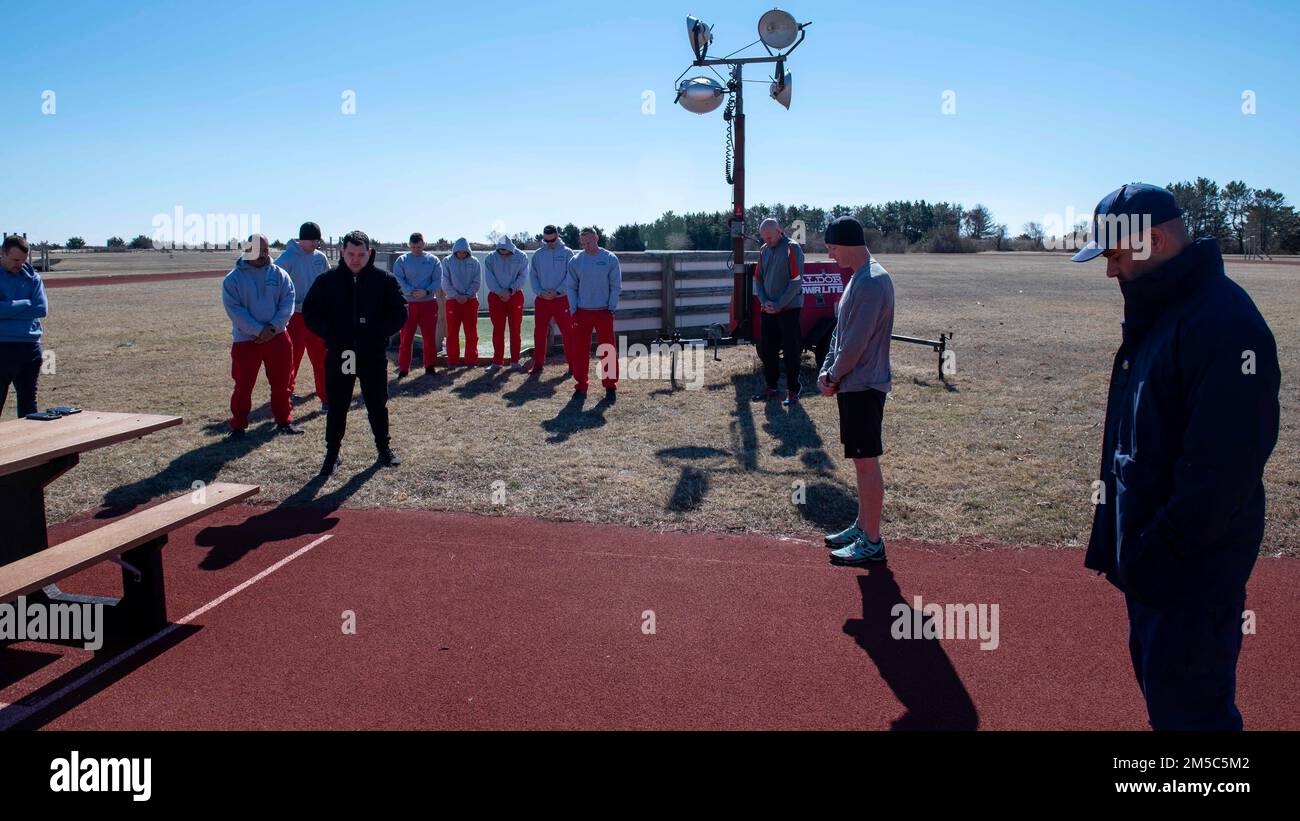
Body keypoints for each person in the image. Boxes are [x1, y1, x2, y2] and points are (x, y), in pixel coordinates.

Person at [1073, 183, 1280, 731]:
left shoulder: (1223, 323)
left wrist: (1156, 552)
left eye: (1115, 255)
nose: (1110, 272)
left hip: (1187, 573)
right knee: (1170, 704)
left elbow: (1222, 472)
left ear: (1155, 240)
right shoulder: (1166, 312)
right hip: (1158, 568)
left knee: (1194, 717)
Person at [816, 216, 894, 567]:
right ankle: (863, 528)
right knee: (860, 462)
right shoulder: (859, 279)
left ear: (847, 243)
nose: (831, 256)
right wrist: (827, 371)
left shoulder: (873, 282)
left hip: (864, 385)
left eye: (832, 248)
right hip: (852, 383)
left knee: (865, 462)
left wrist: (833, 375)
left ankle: (872, 542)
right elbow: (840, 333)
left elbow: (856, 343)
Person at [302, 230, 407, 475]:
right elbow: (310, 313)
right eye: (351, 254)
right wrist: (332, 334)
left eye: (361, 254)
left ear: (369, 253)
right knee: (338, 404)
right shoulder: (327, 281)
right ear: (342, 252)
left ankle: (384, 449)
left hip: (371, 353)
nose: (356, 259)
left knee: (376, 402)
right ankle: (332, 455)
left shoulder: (384, 280)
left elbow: (400, 312)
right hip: (343, 354)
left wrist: (379, 333)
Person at [221, 235, 301, 437]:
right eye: (258, 250)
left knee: (282, 383)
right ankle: (238, 425)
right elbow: (235, 311)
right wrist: (258, 330)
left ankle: (284, 421)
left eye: (266, 250)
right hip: (246, 341)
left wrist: (272, 328)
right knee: (243, 385)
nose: (264, 255)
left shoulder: (280, 274)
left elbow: (287, 302)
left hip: (278, 337)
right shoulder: (233, 279)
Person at [274, 222, 331, 409]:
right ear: (303, 239)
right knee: (291, 359)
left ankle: (326, 398)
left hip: (317, 317)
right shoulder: (287, 258)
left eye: (318, 241)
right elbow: (275, 285)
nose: (316, 244)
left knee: (322, 357)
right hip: (295, 317)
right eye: (313, 240)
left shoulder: (320, 258)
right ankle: (286, 394)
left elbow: (328, 281)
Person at [752, 218, 805, 406]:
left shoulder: (792, 248)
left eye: (770, 237)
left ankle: (793, 390)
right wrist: (765, 301)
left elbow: (796, 280)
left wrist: (780, 304)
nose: (768, 241)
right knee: (768, 349)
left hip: (789, 309)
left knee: (792, 351)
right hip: (768, 309)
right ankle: (771, 386)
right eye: (764, 238)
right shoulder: (764, 251)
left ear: (779, 231)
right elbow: (758, 279)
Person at [566, 227, 621, 401]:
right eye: (582, 243)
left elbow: (616, 285)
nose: (586, 246)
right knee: (579, 350)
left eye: (588, 242)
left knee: (608, 349)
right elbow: (571, 287)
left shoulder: (610, 259)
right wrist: (574, 309)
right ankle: (581, 385)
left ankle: (610, 385)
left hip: (604, 311)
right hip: (582, 313)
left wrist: (611, 307)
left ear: (596, 237)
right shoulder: (576, 261)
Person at [0, 235, 47, 418]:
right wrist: (26, 303)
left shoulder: (33, 277)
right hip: (2, 347)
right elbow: (33, 306)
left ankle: (30, 445)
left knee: (29, 405)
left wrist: (7, 307)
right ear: (2, 254)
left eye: (23, 260)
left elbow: (41, 309)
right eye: (15, 260)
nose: (20, 264)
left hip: (30, 348)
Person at [527, 224, 576, 376]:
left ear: (558, 236)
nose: (549, 243)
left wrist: (557, 291)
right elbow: (533, 276)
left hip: (561, 299)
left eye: (552, 240)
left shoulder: (568, 253)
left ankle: (573, 366)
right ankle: (538, 365)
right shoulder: (538, 254)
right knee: (539, 333)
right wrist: (541, 292)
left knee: (568, 332)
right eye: (546, 241)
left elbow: (570, 275)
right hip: (542, 300)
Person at [392, 232, 443, 377]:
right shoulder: (402, 260)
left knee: (429, 337)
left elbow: (438, 280)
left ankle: (430, 366)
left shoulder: (433, 260)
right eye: (413, 247)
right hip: (409, 304)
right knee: (406, 337)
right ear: (409, 245)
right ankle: (403, 368)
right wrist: (410, 291)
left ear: (424, 244)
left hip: (428, 303)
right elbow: (398, 278)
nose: (416, 249)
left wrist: (426, 291)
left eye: (419, 246)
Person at [483, 235, 528, 371]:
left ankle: (515, 361)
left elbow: (523, 276)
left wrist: (510, 290)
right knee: (498, 329)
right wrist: (499, 292)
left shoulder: (521, 257)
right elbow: (489, 278)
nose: (503, 253)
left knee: (515, 329)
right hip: (496, 297)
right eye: (500, 250)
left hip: (514, 295)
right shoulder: (490, 258)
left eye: (506, 250)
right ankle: (497, 362)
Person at [441, 238, 481, 367]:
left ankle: (471, 360)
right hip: (453, 301)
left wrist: (467, 295)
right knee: (452, 332)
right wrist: (456, 295)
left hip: (470, 301)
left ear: (468, 251)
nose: (462, 254)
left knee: (471, 332)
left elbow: (477, 281)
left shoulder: (474, 262)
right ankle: (452, 360)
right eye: (459, 252)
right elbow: (445, 281)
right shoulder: (447, 261)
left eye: (465, 252)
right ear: (455, 251)